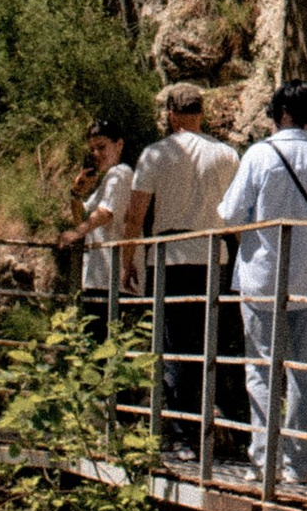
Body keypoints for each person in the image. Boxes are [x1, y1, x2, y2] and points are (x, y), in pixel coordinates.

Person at [217, 84, 307, 489]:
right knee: (304, 370)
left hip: (263, 277)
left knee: (262, 369)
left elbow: (230, 214)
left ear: (280, 112)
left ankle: (263, 462)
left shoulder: (260, 156)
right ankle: (297, 467)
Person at [130, 85, 236, 463]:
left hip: (168, 255)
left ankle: (179, 436)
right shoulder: (226, 154)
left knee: (173, 347)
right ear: (201, 114)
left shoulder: (155, 155)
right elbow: (236, 215)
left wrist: (129, 258)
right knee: (207, 345)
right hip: (213, 256)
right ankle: (206, 430)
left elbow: (136, 213)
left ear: (172, 115)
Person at [60, 126, 140, 343]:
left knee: (103, 348)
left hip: (112, 282)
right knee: (97, 348)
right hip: (100, 280)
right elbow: (84, 217)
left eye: (102, 147)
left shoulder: (121, 173)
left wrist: (76, 233)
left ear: (119, 144)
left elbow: (105, 213)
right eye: (93, 149)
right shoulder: (108, 180)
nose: (96, 154)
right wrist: (76, 194)